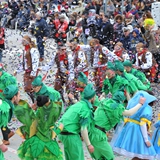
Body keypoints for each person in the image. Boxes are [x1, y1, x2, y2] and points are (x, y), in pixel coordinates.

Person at [89, 91, 146, 160]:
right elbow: (129, 113)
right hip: (98, 134)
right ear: (122, 100)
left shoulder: (105, 102)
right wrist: (140, 104)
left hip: (92, 131)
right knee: (109, 157)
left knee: (100, 157)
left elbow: (100, 98)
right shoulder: (117, 107)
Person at [15, 95, 63, 160]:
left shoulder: (35, 117)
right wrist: (60, 128)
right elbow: (52, 132)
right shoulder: (49, 120)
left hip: (34, 143)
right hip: (48, 145)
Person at [112, 91, 157, 160]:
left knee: (137, 153)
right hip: (138, 130)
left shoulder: (135, 105)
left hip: (130, 129)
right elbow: (142, 124)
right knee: (144, 153)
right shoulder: (146, 108)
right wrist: (146, 139)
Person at [58, 83, 96, 160]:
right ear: (92, 98)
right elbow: (83, 128)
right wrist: (89, 145)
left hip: (62, 133)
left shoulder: (78, 105)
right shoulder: (85, 108)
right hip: (71, 135)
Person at [14, 35, 39, 103]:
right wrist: (17, 70)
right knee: (27, 89)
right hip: (27, 72)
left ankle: (36, 102)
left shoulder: (33, 50)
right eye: (22, 40)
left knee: (30, 88)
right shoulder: (25, 50)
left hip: (31, 72)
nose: (22, 42)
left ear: (27, 42)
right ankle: (35, 101)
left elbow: (35, 61)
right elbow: (24, 63)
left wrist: (33, 73)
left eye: (23, 41)